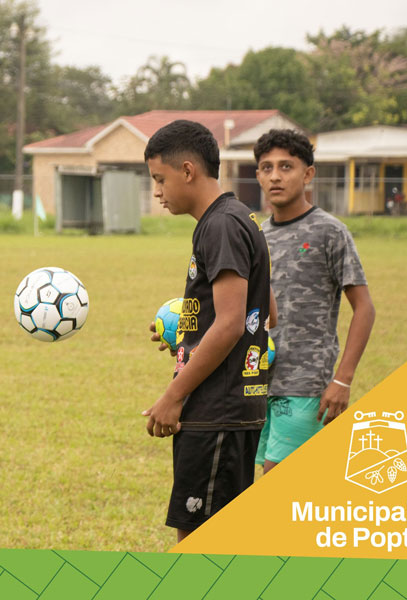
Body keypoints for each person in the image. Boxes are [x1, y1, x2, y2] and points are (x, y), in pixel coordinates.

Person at [143, 120, 271, 541]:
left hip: (217, 410)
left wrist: (173, 395)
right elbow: (264, 308)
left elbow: (231, 323)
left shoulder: (220, 225)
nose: (157, 192)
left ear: (187, 171)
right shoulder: (239, 217)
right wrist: (188, 334)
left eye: (159, 179)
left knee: (199, 541)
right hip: (230, 409)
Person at [253, 129, 375, 474]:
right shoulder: (257, 236)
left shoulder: (329, 231)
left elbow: (364, 308)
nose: (275, 176)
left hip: (306, 387)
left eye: (286, 166)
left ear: (308, 174)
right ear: (258, 175)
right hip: (257, 382)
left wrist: (342, 380)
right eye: (266, 168)